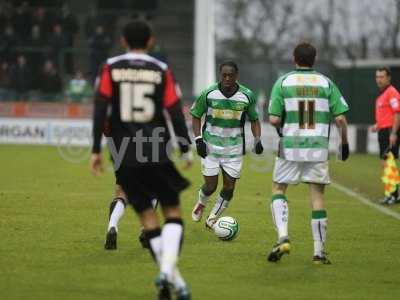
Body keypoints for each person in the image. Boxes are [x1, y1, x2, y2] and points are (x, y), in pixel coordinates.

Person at [90, 20, 192, 300]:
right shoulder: (161, 70)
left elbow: (99, 109)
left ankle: (172, 279)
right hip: (156, 149)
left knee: (148, 218)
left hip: (124, 153)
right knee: (172, 212)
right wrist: (185, 148)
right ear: (150, 42)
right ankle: (168, 270)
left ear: (123, 41)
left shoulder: (110, 67)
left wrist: (95, 150)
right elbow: (174, 110)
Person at [267, 42, 350, 264]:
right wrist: (344, 143)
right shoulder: (326, 83)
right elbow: (340, 118)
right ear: (314, 59)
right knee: (317, 196)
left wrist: (282, 124)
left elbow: (274, 118)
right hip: (318, 147)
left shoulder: (283, 82)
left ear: (295, 58)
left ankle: (283, 236)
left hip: (290, 145)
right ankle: (318, 252)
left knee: (278, 189)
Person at [190, 61, 264, 229]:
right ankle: (201, 202)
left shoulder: (247, 95)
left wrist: (257, 139)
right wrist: (198, 139)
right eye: (224, 75)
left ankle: (212, 218)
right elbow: (195, 115)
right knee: (210, 186)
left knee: (229, 188)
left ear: (236, 76)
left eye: (231, 75)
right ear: (220, 75)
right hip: (210, 147)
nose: (227, 78)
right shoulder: (209, 93)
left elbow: (255, 120)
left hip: (234, 149)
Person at [370, 67, 400, 205]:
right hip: (383, 131)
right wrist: (377, 125)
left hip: (389, 132)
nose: (379, 79)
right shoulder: (382, 95)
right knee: (386, 163)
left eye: (382, 77)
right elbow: (386, 115)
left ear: (388, 78)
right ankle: (392, 194)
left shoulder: (392, 93)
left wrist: (393, 133)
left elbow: (397, 113)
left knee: (389, 163)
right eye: (377, 77)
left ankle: (393, 195)